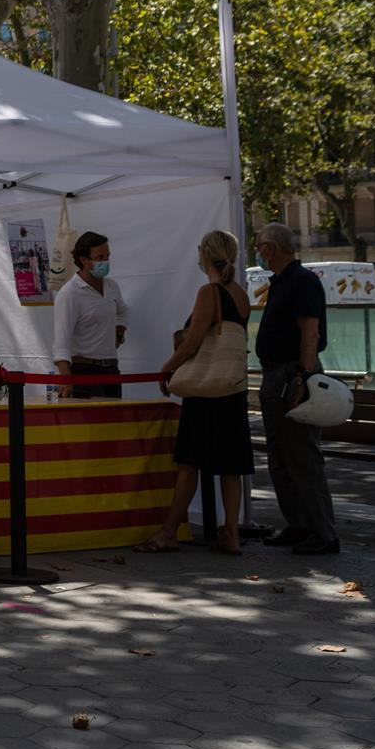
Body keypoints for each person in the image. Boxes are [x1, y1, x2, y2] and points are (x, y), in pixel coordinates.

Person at [139, 230, 254, 554]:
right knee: (230, 465)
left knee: (189, 463)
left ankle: (168, 532)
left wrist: (166, 367)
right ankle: (230, 531)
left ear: (205, 255)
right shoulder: (241, 295)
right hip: (232, 388)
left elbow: (193, 342)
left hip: (205, 391)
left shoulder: (209, 292)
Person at [254, 222, 339, 555]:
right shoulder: (281, 282)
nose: (257, 250)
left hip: (293, 373)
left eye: (258, 244)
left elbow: (310, 334)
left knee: (301, 455)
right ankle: (299, 524)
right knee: (280, 455)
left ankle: (322, 531)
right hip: (278, 373)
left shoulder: (302, 282)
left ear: (270, 248)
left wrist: (302, 378)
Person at [52, 231, 127, 398]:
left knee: (115, 420)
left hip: (111, 369)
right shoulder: (69, 294)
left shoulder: (111, 286)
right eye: (99, 258)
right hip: (84, 370)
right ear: (83, 260)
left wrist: (119, 332)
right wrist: (66, 379)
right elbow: (61, 342)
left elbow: (123, 311)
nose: (105, 262)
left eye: (107, 256)